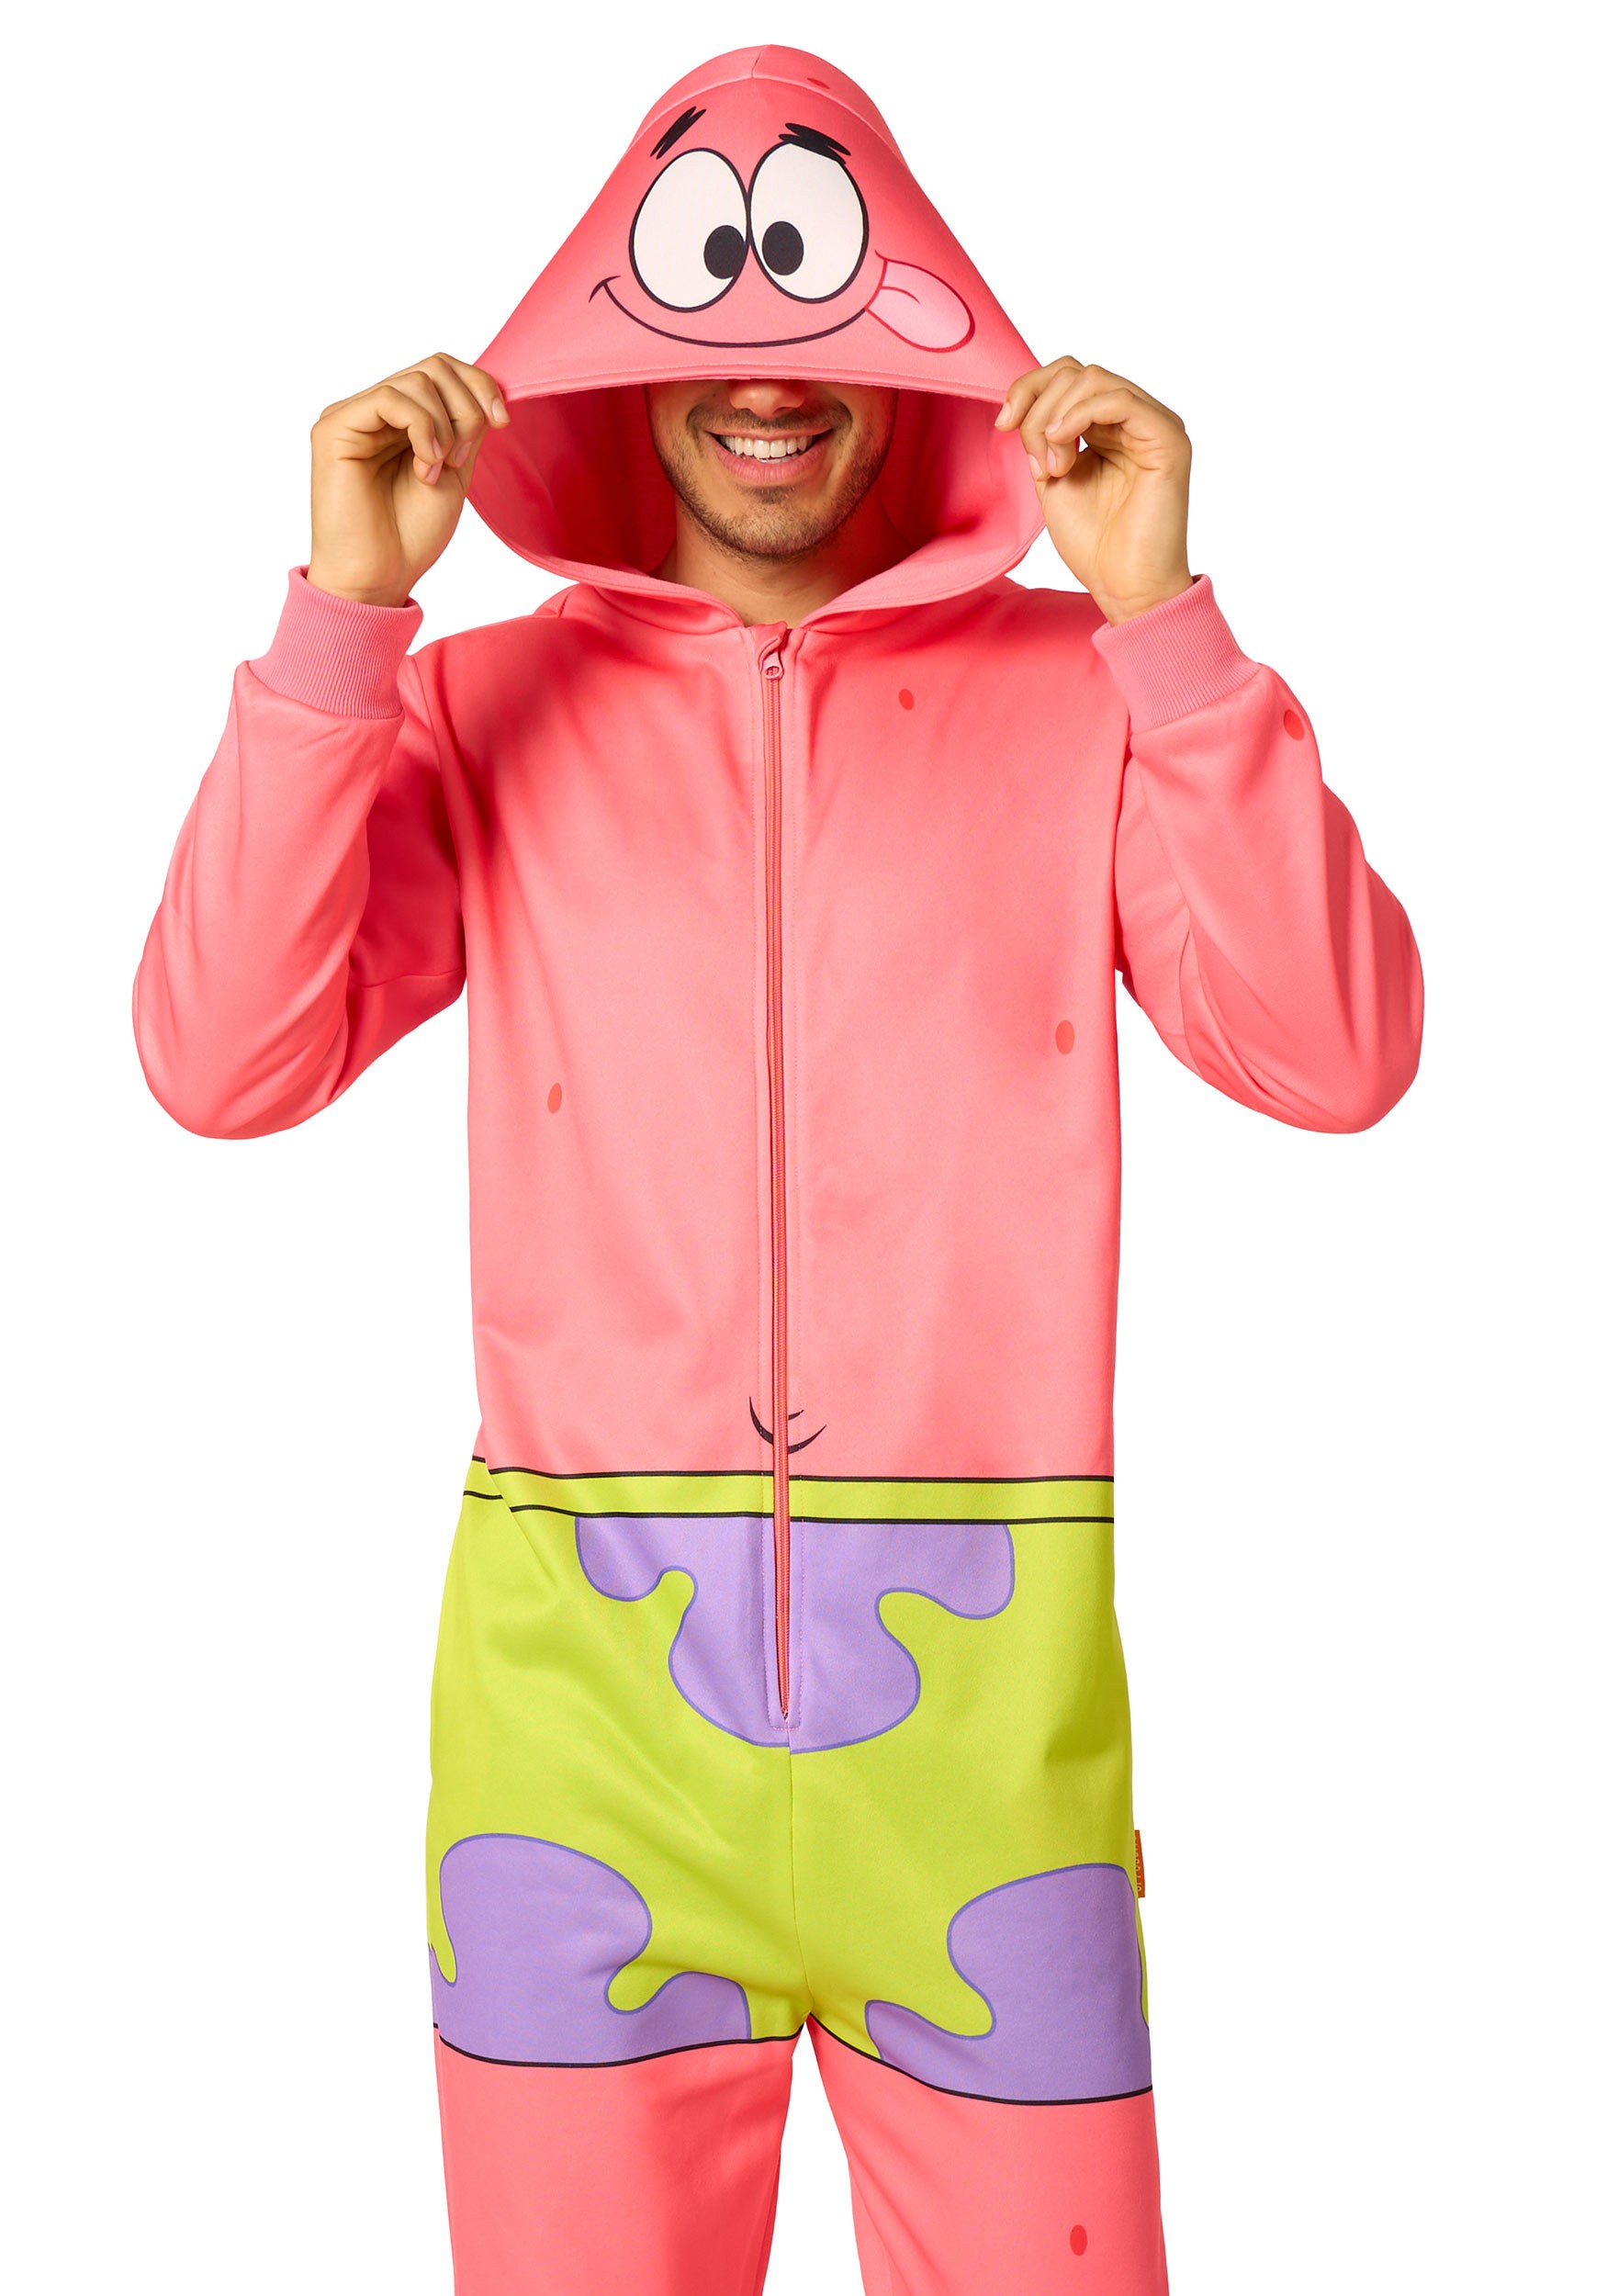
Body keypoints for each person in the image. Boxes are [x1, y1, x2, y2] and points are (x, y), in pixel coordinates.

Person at [131, 42, 1423, 2296]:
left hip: (982, 1775)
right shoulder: (479, 705)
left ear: (904, 337)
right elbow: (217, 1058)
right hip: (579, 1770)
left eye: (809, 314)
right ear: (611, 352)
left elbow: (1335, 1054)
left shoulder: (1086, 695)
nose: (760, 374)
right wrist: (343, 619)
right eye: (702, 321)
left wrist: (1164, 621)